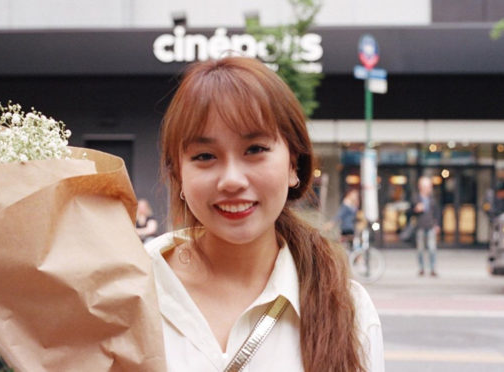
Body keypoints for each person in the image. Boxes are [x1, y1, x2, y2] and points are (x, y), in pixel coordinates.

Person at [146, 56, 384, 371]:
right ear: (179, 175)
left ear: (293, 164)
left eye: (255, 149)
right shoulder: (128, 289)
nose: (231, 180)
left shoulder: (347, 308)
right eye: (205, 155)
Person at [412, 176, 440, 277]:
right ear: (421, 187)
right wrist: (415, 210)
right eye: (427, 186)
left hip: (431, 226)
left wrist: (437, 225)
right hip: (420, 226)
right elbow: (409, 212)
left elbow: (437, 212)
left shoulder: (432, 198)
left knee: (432, 248)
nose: (429, 188)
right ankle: (421, 268)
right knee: (420, 249)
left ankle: (432, 268)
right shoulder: (415, 198)